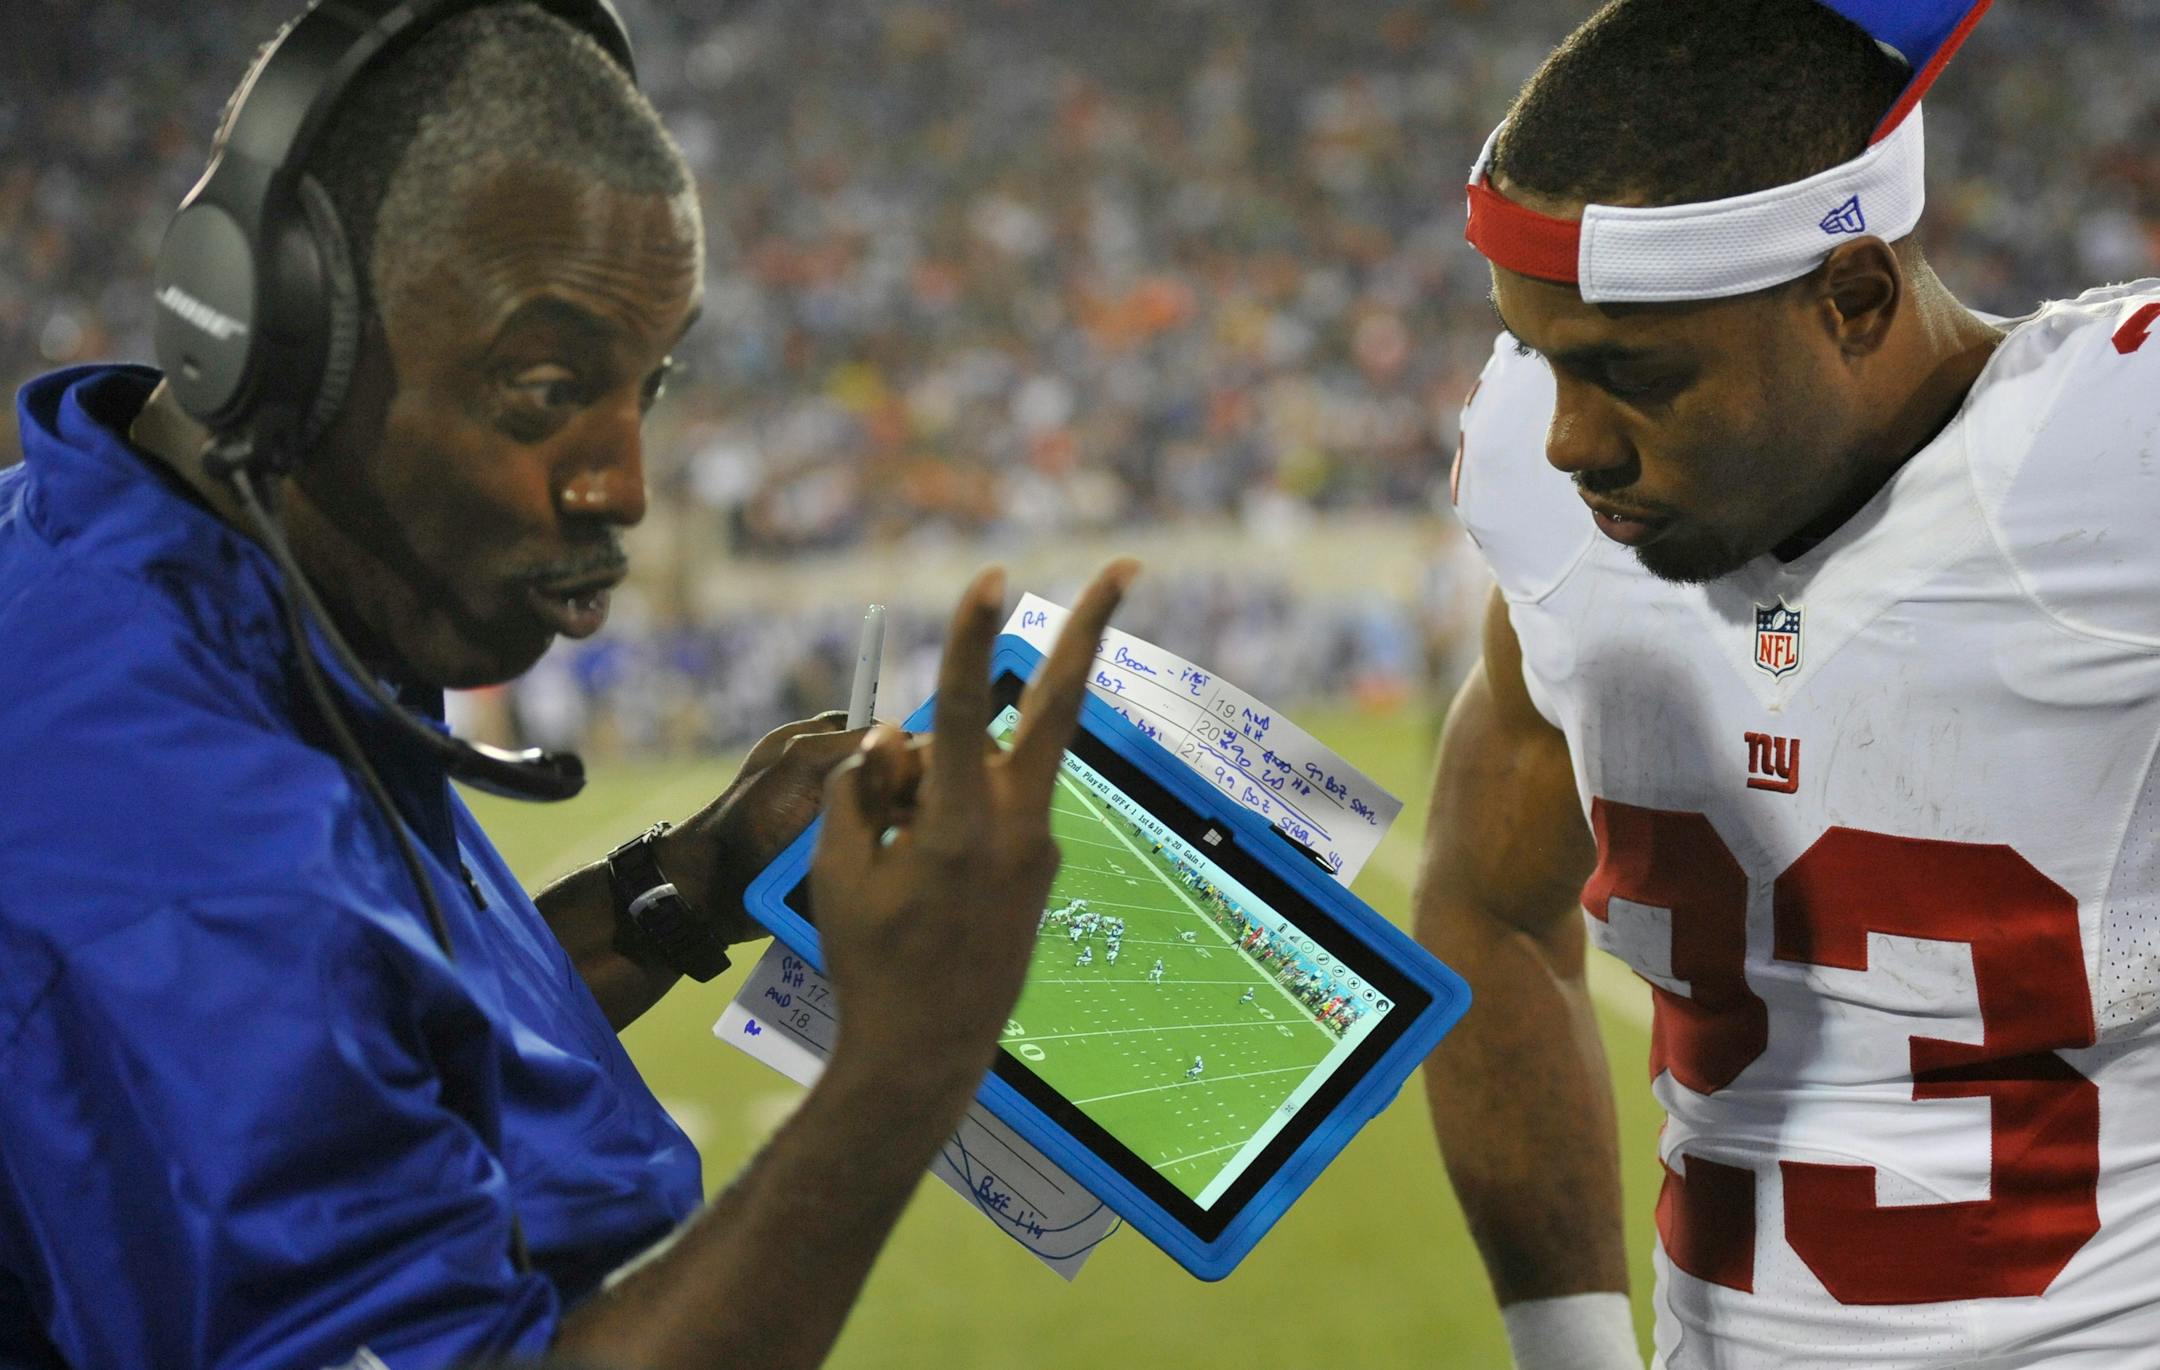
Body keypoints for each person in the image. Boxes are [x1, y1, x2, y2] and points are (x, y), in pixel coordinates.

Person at [0, 7, 1138, 1368]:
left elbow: (354, 1045)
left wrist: (698, 878)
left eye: (644, 387)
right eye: (545, 388)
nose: (626, 486)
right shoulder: (171, 843)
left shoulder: (185, 569)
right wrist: (907, 1064)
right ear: (275, 337)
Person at [1415, 2, 2160, 1367]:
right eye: (1542, 355)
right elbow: (1489, 912)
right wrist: (1569, 1347)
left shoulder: (2118, 464)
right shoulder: (1548, 490)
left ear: (1855, 298)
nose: (1574, 439)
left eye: (1632, 374)